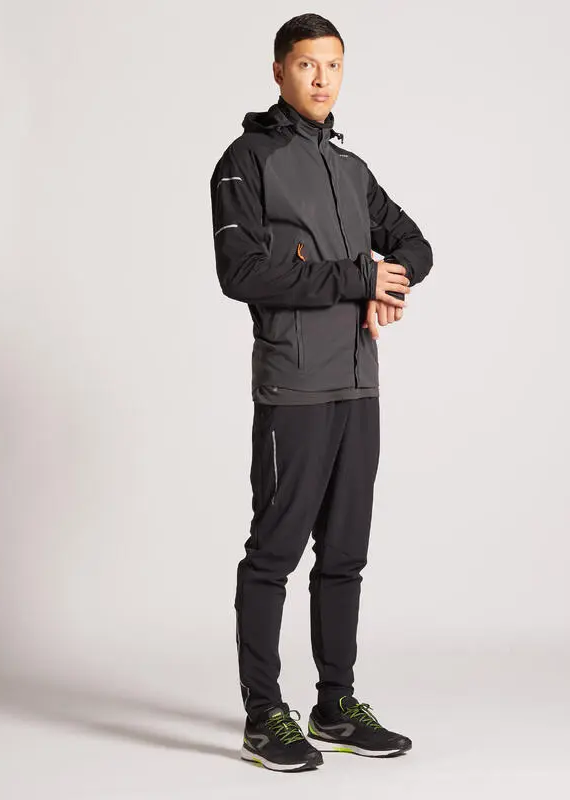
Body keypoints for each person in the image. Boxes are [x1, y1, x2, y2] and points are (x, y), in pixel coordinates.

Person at [209, 13, 433, 772]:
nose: (322, 78)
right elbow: (241, 273)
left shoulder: (350, 168)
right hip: (294, 386)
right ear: (279, 71)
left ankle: (335, 703)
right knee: (273, 552)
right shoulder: (247, 160)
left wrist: (388, 281)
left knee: (344, 554)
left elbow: (415, 244)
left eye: (333, 65)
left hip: (358, 385)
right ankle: (262, 714)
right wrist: (356, 277)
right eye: (307, 64)